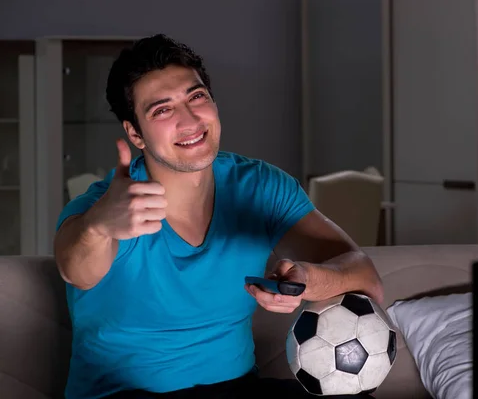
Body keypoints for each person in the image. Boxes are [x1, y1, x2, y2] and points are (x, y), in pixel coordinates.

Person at [53, 34, 384, 399]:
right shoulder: (106, 207)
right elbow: (76, 268)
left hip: (236, 388)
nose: (190, 119)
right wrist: (99, 225)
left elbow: (366, 275)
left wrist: (307, 281)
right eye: (162, 110)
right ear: (136, 134)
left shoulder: (261, 186)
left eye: (196, 97)